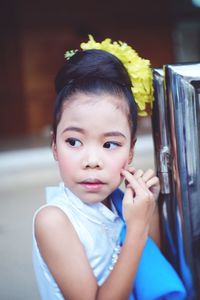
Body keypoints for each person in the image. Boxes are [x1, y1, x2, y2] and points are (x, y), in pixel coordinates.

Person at [32, 36, 186, 300]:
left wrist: (148, 211)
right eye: (74, 141)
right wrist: (137, 229)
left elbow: (150, 272)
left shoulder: (120, 204)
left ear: (131, 151)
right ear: (55, 146)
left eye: (110, 144)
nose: (92, 160)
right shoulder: (54, 221)